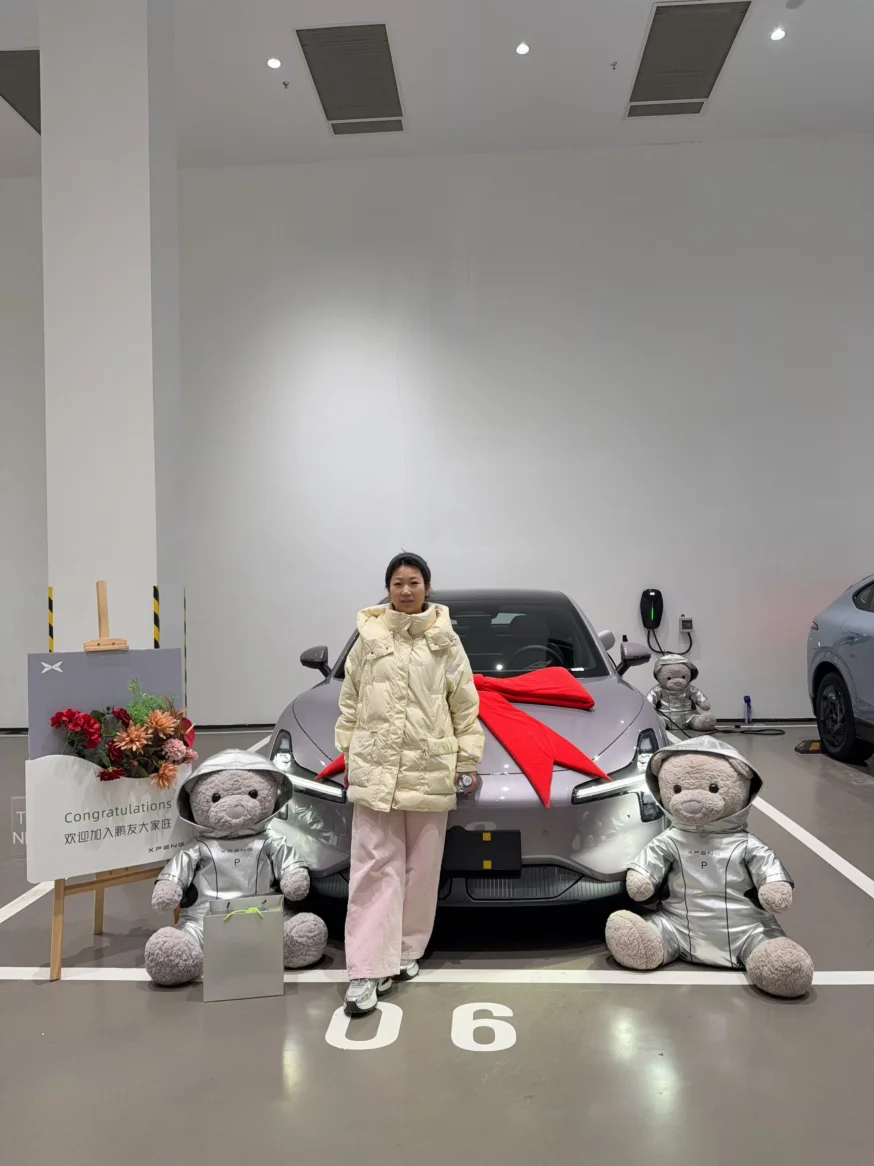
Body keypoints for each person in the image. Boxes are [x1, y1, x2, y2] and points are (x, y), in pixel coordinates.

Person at [337, 552, 484, 1016]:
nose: (405, 590)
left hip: (429, 766)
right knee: (372, 867)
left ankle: (404, 952)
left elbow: (465, 704)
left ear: (427, 587)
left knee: (421, 869)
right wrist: (349, 752)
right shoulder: (369, 638)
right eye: (398, 582)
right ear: (388, 588)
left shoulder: (445, 641)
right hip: (376, 769)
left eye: (413, 582)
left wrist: (467, 758)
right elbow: (350, 700)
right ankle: (366, 968)